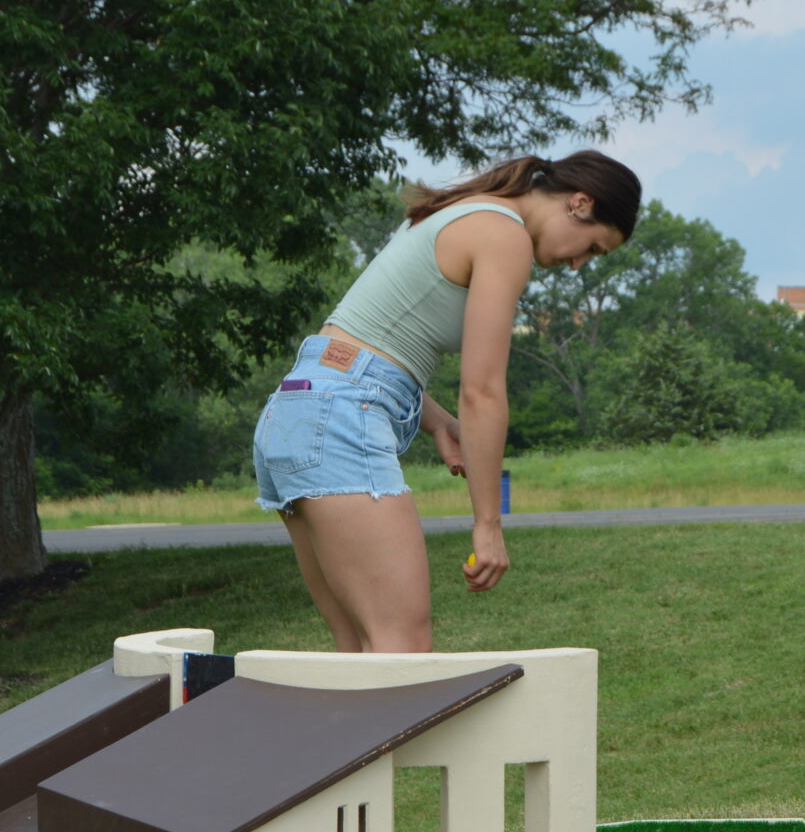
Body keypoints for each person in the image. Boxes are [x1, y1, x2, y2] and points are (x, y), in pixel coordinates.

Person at [254, 153, 638, 652]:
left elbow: (360, 342)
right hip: (337, 418)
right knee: (402, 651)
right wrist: (488, 524)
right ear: (579, 203)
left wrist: (433, 421)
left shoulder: (461, 209)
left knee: (359, 654)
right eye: (593, 247)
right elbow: (482, 391)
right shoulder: (505, 235)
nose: (577, 264)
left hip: (298, 409)